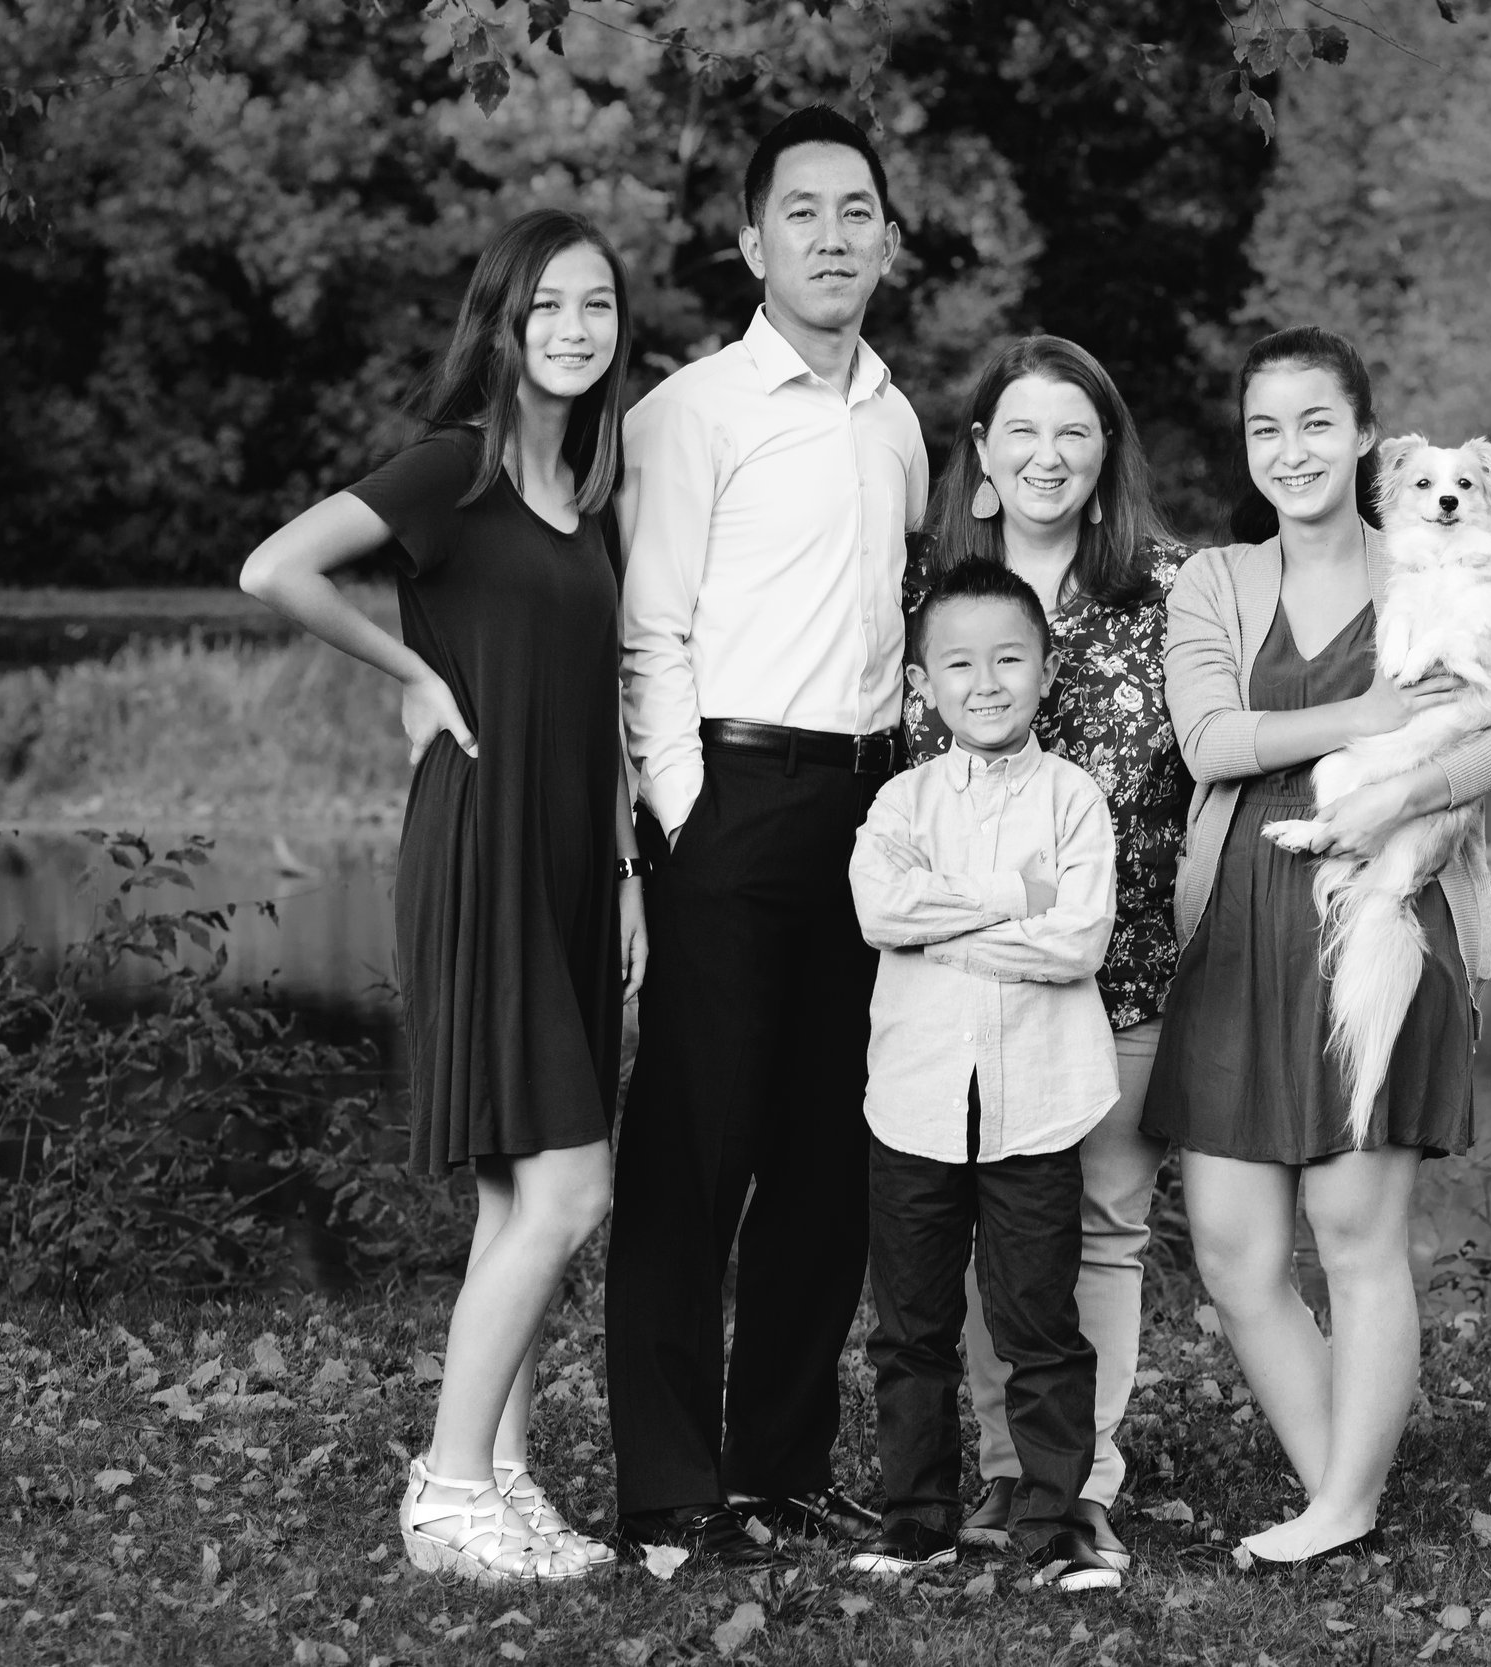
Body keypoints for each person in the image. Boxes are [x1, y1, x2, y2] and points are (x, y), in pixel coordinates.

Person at [236, 209, 645, 1583]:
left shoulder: (587, 499)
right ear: (504, 321)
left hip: (575, 860)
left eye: (597, 306)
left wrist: (631, 871)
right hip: (480, 844)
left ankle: (506, 1481)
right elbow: (275, 567)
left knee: (512, 1192)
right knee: (572, 1185)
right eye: (550, 306)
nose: (575, 329)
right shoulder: (451, 471)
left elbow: (603, 707)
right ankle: (448, 1485)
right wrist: (411, 673)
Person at [1141, 326, 1491, 1564]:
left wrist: (1395, 797)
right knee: (1230, 1244)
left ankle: (1342, 1503)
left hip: (1381, 901)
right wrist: (1370, 715)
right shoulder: (1216, 579)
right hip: (1240, 920)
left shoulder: (1433, 548)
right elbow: (1210, 742)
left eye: (1316, 422)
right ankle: (1340, 1480)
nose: (1291, 449)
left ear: (1365, 434)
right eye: (1266, 427)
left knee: (1354, 1226)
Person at [607, 105, 930, 1567]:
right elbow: (649, 632)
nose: (832, 235)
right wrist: (683, 822)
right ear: (752, 240)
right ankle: (670, 1485)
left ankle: (780, 1464)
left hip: (868, 809)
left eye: (857, 210)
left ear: (886, 237)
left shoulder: (900, 419)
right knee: (695, 1151)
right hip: (731, 802)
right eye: (802, 212)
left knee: (827, 1154)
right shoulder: (692, 413)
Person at [902, 335, 1190, 1571]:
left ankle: (1086, 1482)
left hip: (1124, 975)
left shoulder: (1172, 592)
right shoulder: (930, 596)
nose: (1047, 455)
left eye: (1075, 431)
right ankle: (1010, 1468)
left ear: (1107, 451)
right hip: (966, 989)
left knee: (1108, 1224)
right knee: (988, 1234)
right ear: (979, 453)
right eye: (1020, 430)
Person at [846, 559, 1123, 1593]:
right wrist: (1012, 892)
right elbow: (880, 914)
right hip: (914, 1101)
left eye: (1009, 658)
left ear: (1046, 671)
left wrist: (948, 927)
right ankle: (914, 1516)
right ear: (923, 683)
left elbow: (1076, 941)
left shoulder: (1072, 798)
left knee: (1038, 1325)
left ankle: (1054, 1527)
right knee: (911, 1327)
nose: (986, 681)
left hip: (1036, 1104)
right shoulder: (901, 799)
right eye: (958, 663)